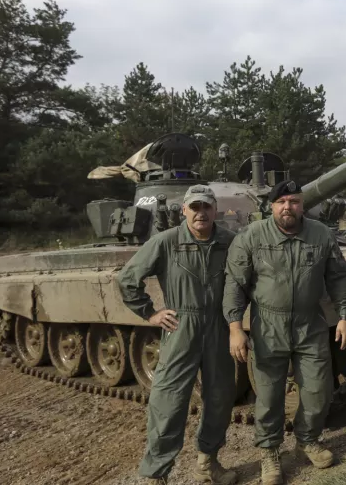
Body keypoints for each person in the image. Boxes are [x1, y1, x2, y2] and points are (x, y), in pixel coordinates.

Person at [223, 179, 346, 485]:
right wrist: (234, 327)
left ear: (301, 205)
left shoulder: (320, 234)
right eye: (281, 202)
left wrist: (345, 315)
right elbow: (234, 284)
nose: (288, 207)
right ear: (271, 206)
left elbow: (338, 277)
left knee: (319, 390)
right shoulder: (252, 236)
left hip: (310, 324)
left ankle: (307, 439)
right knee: (269, 395)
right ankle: (269, 452)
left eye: (294, 201)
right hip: (268, 325)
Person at [117, 184, 239, 485]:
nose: (201, 213)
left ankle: (207, 463)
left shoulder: (230, 241)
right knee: (168, 401)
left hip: (218, 327)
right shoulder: (166, 241)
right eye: (194, 207)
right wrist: (150, 312)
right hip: (181, 325)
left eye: (206, 207)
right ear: (184, 210)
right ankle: (157, 474)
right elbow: (128, 279)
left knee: (221, 397)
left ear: (215, 211)